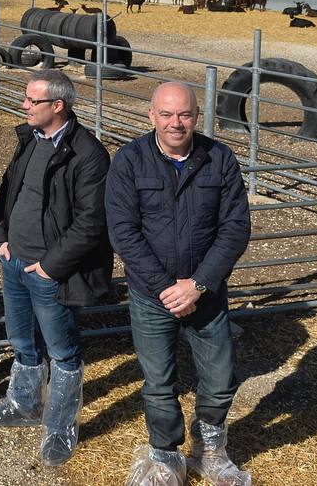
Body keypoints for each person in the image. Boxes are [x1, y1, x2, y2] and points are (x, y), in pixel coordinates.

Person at [106, 81, 251, 486]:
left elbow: (235, 228)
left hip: (206, 293)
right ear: (151, 115)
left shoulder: (219, 158)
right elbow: (123, 232)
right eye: (166, 114)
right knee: (158, 382)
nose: (176, 123)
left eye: (184, 114)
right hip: (152, 295)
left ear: (196, 116)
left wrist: (199, 284)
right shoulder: (130, 160)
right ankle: (166, 456)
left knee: (221, 377)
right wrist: (167, 289)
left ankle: (209, 450)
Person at [0, 69, 113, 467]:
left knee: (63, 351)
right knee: (22, 341)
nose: (24, 105)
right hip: (14, 259)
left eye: (31, 100)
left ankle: (60, 427)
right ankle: (24, 405)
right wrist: (1, 238)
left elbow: (91, 221)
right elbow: (9, 191)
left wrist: (49, 267)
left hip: (49, 271)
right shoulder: (30, 139)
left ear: (58, 106)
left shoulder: (87, 154)